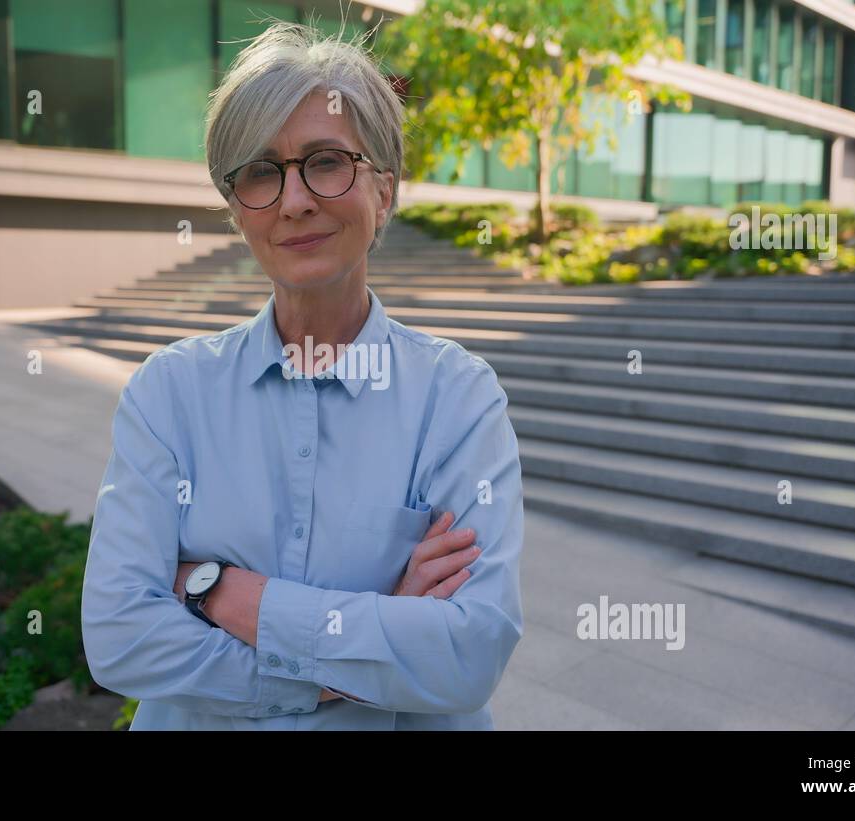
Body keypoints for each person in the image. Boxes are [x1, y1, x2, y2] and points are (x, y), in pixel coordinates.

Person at [81, 20, 523, 730]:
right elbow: (119, 636)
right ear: (236, 210)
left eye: (325, 161)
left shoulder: (457, 397)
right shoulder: (169, 394)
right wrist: (368, 648)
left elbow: (468, 654)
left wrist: (223, 593)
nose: (293, 201)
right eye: (261, 171)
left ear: (384, 189)